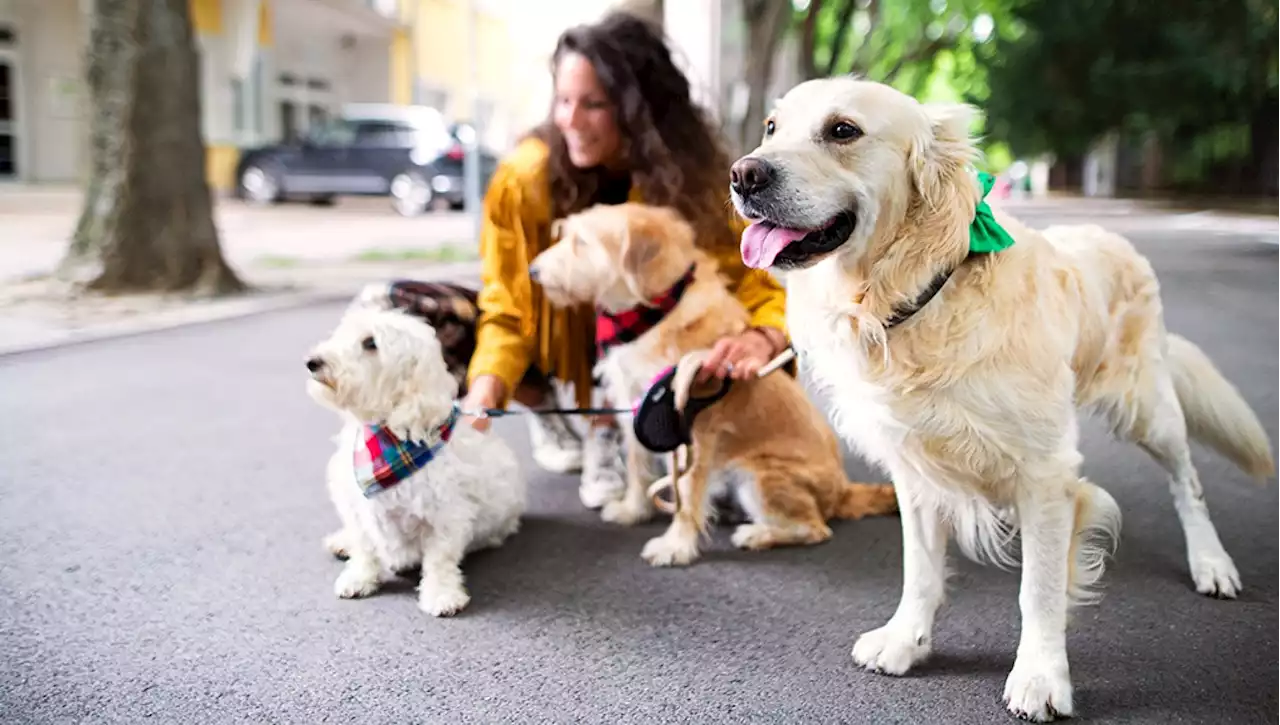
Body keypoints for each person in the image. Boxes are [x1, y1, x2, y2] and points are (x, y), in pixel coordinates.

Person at [361, 11, 789, 510]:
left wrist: (763, 336)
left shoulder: (692, 184)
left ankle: (614, 424)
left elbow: (754, 288)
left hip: (647, 350)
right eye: (563, 101)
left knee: (644, 310)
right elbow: (508, 306)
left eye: (594, 104)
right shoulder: (526, 179)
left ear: (638, 111)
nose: (570, 120)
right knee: (392, 307)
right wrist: (484, 396)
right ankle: (549, 408)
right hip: (556, 339)